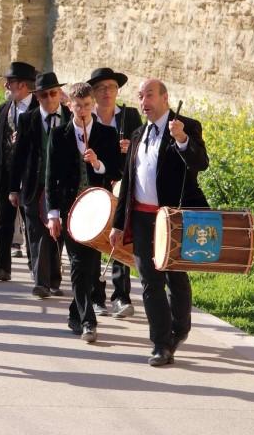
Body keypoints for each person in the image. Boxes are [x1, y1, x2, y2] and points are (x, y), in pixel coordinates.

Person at [110, 79, 209, 366]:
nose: (144, 102)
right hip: (141, 217)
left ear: (165, 98)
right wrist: (118, 224)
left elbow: (200, 163)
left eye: (149, 95)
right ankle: (161, 344)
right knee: (150, 281)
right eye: (140, 97)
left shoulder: (186, 126)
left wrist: (181, 139)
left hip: (172, 217)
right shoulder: (139, 133)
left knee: (175, 276)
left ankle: (180, 328)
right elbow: (129, 181)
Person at [46, 83, 120, 342]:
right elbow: (51, 177)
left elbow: (116, 172)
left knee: (91, 269)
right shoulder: (58, 135)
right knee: (78, 264)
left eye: (88, 105)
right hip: (69, 210)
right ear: (70, 106)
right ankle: (89, 321)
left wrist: (98, 163)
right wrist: (53, 214)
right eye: (78, 106)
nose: (83, 110)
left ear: (93, 105)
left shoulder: (106, 134)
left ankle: (74, 313)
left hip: (97, 210)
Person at [87, 67, 144, 318]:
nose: (106, 92)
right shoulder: (88, 117)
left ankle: (121, 296)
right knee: (96, 242)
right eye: (100, 88)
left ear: (117, 90)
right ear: (94, 93)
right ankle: (96, 297)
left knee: (120, 238)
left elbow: (144, 145)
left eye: (110, 87)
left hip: (123, 186)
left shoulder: (129, 116)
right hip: (95, 186)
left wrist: (133, 146)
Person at [10, 72, 72, 298]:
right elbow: (19, 156)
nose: (49, 98)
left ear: (59, 94)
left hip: (63, 187)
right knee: (37, 234)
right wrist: (13, 188)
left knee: (58, 234)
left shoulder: (70, 117)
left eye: (53, 93)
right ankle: (41, 282)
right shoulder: (28, 119)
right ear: (37, 97)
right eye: (44, 95)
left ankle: (54, 278)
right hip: (34, 186)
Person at [0, 62, 39, 282]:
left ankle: (37, 268)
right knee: (4, 221)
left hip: (28, 176)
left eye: (11, 82)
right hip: (4, 173)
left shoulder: (37, 108)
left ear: (23, 85)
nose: (6, 85)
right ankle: (2, 266)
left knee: (31, 224)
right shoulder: (4, 108)